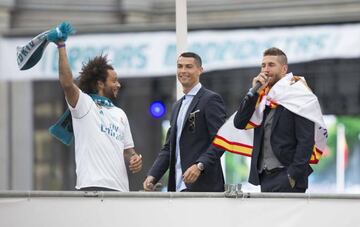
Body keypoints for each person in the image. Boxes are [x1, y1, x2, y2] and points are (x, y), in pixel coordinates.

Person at [49, 22, 142, 191]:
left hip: (121, 190)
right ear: (100, 83)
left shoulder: (119, 113)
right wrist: (61, 46)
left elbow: (128, 151)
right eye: (114, 81)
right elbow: (67, 83)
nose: (118, 85)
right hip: (91, 187)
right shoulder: (85, 104)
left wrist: (135, 158)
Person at [233, 47, 323, 192]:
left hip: (287, 177)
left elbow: (306, 140)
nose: (266, 69)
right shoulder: (262, 98)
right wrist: (253, 92)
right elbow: (239, 123)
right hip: (265, 178)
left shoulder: (299, 95)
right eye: (263, 65)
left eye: (271, 65)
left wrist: (292, 176)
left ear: (284, 69)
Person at [143, 52, 226, 192]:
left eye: (189, 67)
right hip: (177, 187)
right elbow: (169, 147)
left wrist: (200, 165)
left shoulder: (210, 99)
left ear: (200, 70)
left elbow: (221, 140)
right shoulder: (177, 106)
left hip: (204, 186)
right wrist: (153, 175)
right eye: (180, 66)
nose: (183, 71)